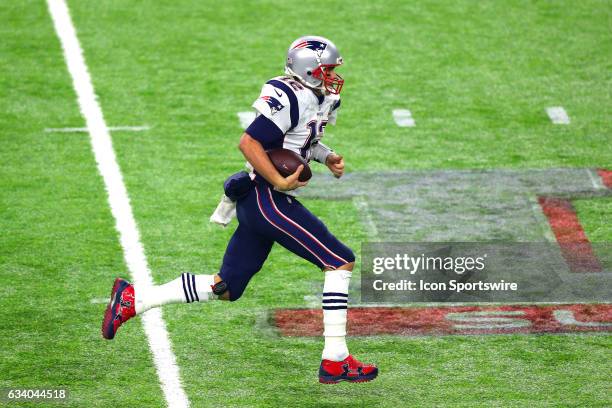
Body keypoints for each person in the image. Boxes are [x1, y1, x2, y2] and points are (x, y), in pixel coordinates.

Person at [102, 35, 378, 384]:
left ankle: (134, 299)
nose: (332, 76)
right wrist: (278, 183)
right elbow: (249, 142)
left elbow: (300, 140)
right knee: (339, 260)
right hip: (266, 198)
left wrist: (327, 157)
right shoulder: (289, 95)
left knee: (227, 287)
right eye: (326, 70)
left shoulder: (318, 97)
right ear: (308, 70)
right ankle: (336, 359)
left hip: (257, 203)